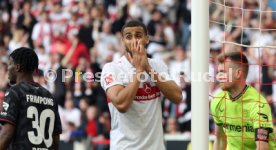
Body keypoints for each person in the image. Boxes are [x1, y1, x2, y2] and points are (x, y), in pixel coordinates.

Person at [100, 20, 182, 149]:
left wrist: (148, 68)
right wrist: (139, 71)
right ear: (123, 41)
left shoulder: (157, 65)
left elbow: (177, 97)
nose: (134, 40)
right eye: (128, 37)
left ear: (147, 39)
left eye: (138, 35)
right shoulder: (111, 68)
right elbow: (122, 105)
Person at [211, 52, 276, 150]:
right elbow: (220, 139)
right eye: (218, 72)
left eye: (223, 72)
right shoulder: (217, 100)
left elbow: (262, 148)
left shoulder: (258, 105)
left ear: (238, 73)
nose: (219, 76)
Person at [0, 47, 62, 150]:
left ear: (17, 67)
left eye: (10, 64)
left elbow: (7, 134)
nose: (8, 69)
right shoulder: (49, 96)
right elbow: (55, 139)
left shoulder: (15, 92)